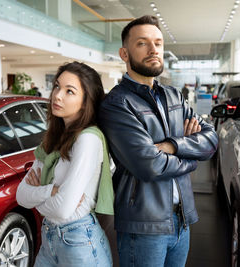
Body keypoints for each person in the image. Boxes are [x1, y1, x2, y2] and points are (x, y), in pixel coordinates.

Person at [98, 15, 218, 267]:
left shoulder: (174, 96)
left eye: (158, 43)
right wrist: (191, 159)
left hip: (181, 219)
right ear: (124, 53)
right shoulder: (117, 104)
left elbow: (211, 139)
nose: (154, 49)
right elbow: (149, 165)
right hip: (143, 225)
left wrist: (173, 146)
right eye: (142, 43)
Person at [17, 61, 114, 267]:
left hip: (79, 242)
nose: (57, 95)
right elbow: (21, 195)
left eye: (70, 91)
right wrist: (52, 190)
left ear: (86, 101)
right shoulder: (53, 139)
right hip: (49, 238)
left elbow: (63, 209)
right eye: (57, 86)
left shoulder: (88, 139)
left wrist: (39, 195)